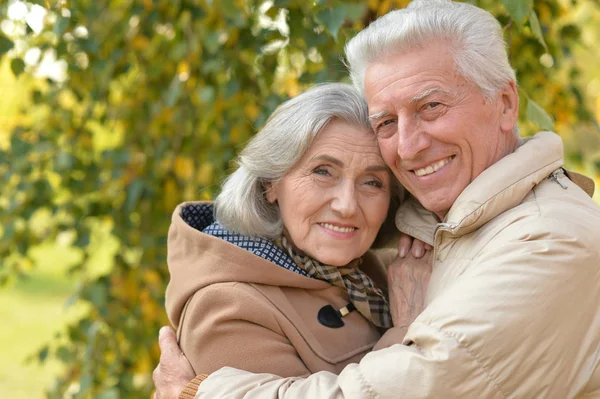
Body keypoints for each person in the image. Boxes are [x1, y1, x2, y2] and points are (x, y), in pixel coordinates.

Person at [154, 0, 600, 398]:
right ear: (271, 181)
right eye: (386, 121)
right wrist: (403, 329)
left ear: (504, 104)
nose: (407, 147)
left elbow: (418, 383)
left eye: (431, 107)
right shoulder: (422, 247)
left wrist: (196, 393)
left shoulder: (544, 241)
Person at [163, 82, 433, 393]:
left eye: (372, 182)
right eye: (323, 172)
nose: (347, 205)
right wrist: (405, 331)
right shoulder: (227, 306)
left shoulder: (385, 272)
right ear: (271, 183)